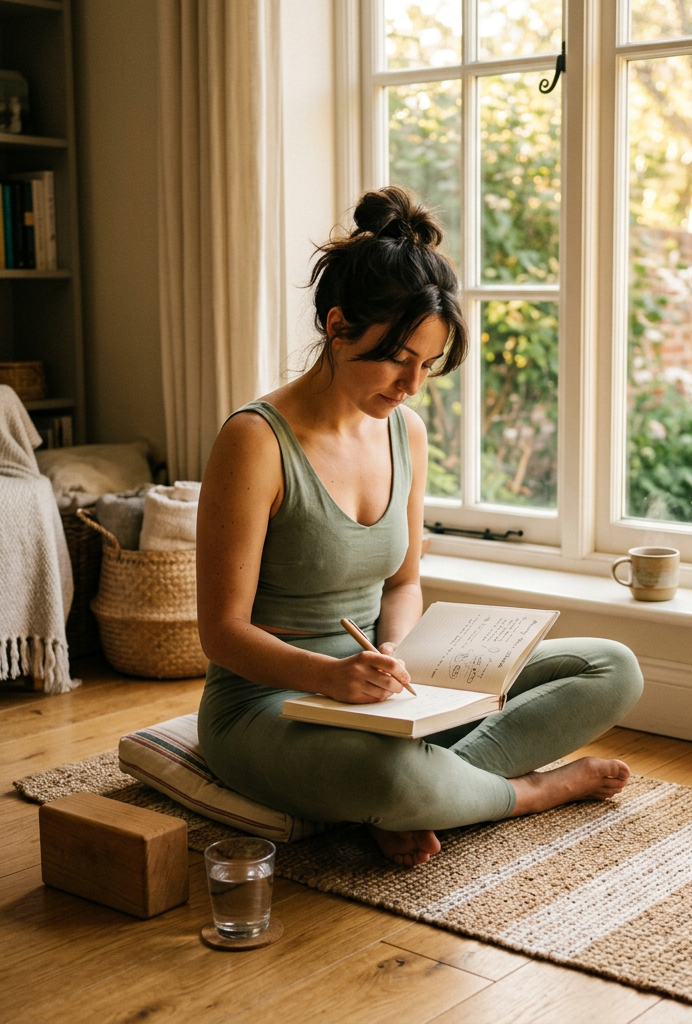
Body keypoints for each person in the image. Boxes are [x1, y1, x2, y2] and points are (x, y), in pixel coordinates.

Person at [195, 186, 644, 866]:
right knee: (388, 774)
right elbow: (221, 634)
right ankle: (525, 793)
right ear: (339, 325)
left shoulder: (406, 431)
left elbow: (404, 582)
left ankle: (427, 792)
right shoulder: (255, 440)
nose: (411, 385)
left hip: (382, 690)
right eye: (397, 358)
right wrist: (330, 678)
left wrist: (401, 653)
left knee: (612, 667)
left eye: (427, 366)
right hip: (271, 705)